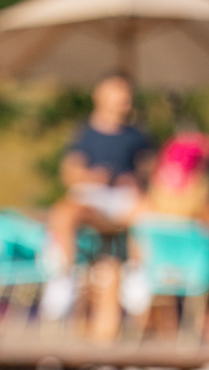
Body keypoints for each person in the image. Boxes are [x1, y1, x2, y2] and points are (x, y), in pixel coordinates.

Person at [47, 73, 154, 340]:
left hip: (124, 198)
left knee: (146, 212)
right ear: (101, 97)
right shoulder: (84, 133)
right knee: (63, 213)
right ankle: (63, 275)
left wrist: (136, 179)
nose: (123, 102)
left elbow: (150, 170)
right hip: (92, 195)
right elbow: (69, 172)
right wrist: (91, 176)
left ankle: (138, 273)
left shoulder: (137, 135)